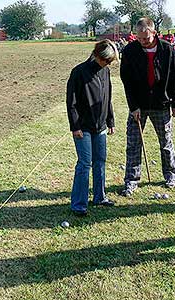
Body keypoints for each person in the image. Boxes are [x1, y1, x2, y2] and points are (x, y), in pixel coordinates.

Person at [120, 17, 175, 196]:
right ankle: (131, 180)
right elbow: (127, 81)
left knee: (166, 142)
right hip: (138, 105)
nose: (143, 42)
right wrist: (133, 106)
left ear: (154, 32)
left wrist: (174, 102)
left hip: (161, 104)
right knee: (133, 143)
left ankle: (171, 174)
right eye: (139, 38)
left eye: (146, 38)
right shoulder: (130, 51)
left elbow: (174, 77)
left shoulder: (167, 49)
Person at [66, 40, 118, 216]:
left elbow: (107, 98)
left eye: (110, 61)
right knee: (84, 164)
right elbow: (71, 102)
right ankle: (79, 204)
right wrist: (75, 126)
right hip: (83, 128)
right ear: (97, 55)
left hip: (101, 126)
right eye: (106, 60)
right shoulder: (78, 72)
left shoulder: (106, 71)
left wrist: (110, 121)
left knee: (100, 161)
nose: (108, 64)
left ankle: (100, 196)